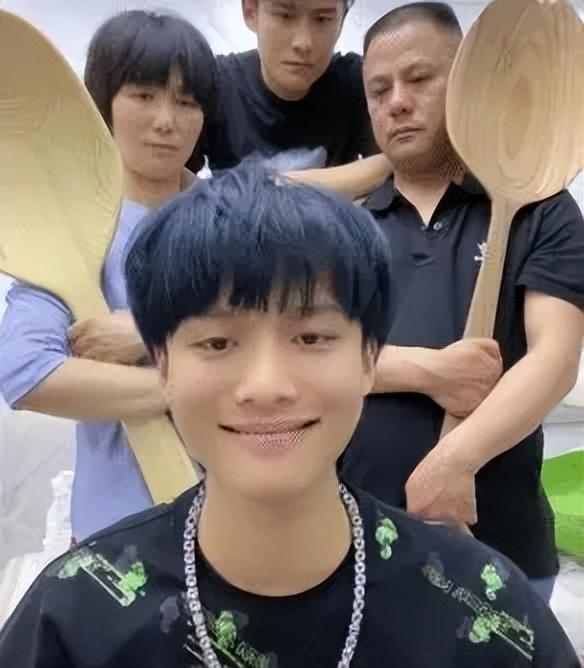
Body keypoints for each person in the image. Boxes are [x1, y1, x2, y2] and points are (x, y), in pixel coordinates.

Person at [0, 162, 579, 668]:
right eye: (218, 343)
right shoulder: (74, 617)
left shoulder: (485, 613)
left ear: (368, 359)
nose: (267, 387)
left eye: (310, 337)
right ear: (164, 366)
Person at [341, 2, 584, 602]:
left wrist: (456, 459)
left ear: (465, 84)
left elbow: (554, 359)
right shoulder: (344, 228)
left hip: (502, 549)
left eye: (419, 78)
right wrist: (428, 370)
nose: (397, 101)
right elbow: (315, 358)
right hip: (355, 550)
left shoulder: (541, 210)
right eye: (379, 90)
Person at [0, 10, 218, 540]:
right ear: (102, 101)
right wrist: (194, 383)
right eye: (143, 95)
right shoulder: (69, 230)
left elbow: (289, 339)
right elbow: (27, 372)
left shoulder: (237, 219)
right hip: (116, 536)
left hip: (247, 527)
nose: (166, 121)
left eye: (186, 101)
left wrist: (150, 333)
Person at [205, 0, 376, 170]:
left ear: (341, 23)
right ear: (251, 12)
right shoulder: (213, 85)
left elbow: (391, 166)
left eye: (322, 19)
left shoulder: (363, 84)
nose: (303, 43)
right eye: (284, 15)